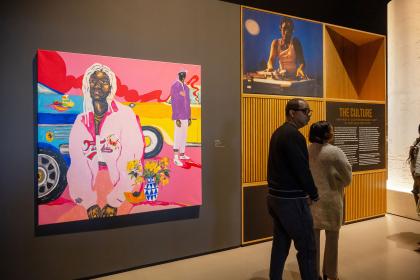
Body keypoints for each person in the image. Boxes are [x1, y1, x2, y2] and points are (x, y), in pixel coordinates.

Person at [67, 63, 144, 219]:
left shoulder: (124, 115)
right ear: (88, 85)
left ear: (111, 87)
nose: (98, 85)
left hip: (123, 183)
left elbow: (131, 159)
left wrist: (116, 200)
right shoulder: (81, 120)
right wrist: (88, 202)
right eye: (94, 81)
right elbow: (77, 164)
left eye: (104, 82)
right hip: (90, 184)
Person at [267, 98, 319, 280]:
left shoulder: (279, 133)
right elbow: (302, 169)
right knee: (307, 247)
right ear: (292, 112)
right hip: (291, 201)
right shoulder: (293, 135)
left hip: (276, 198)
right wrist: (313, 193)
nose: (308, 116)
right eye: (305, 111)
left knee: (280, 245)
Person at [308, 121, 352, 280]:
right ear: (327, 134)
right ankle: (330, 273)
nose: (333, 132)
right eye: (331, 130)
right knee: (332, 240)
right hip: (332, 201)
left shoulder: (307, 150)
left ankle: (313, 274)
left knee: (312, 242)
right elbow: (347, 178)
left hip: (311, 201)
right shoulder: (335, 152)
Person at [170, 70, 191, 166]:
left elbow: (188, 102)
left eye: (184, 75)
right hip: (179, 116)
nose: (183, 77)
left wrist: (189, 116)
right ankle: (175, 157)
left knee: (184, 135)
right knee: (177, 136)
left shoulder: (186, 87)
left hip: (186, 115)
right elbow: (174, 102)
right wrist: (177, 117)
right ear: (179, 76)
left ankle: (182, 154)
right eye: (182, 75)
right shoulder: (175, 86)